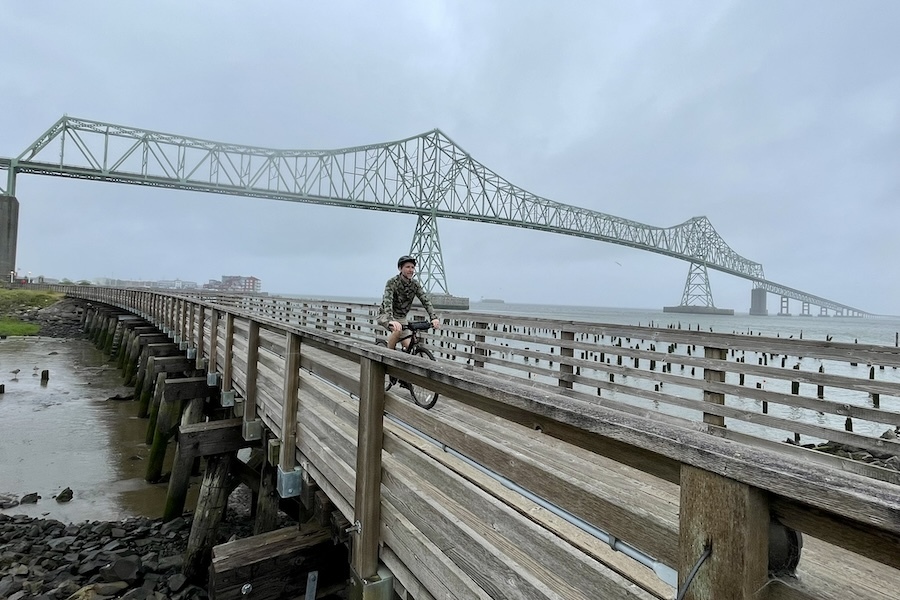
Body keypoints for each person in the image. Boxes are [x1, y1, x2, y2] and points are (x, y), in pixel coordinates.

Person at [377, 255, 441, 350]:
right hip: (386, 315)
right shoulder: (392, 282)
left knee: (408, 346)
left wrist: (434, 318)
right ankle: (388, 357)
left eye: (412, 267)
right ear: (400, 268)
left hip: (401, 317)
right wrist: (391, 320)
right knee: (397, 330)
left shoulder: (415, 284)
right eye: (407, 267)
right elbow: (388, 302)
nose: (410, 270)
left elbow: (425, 300)